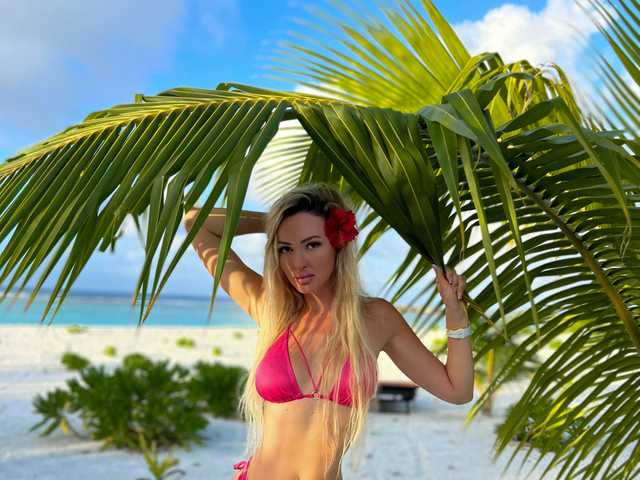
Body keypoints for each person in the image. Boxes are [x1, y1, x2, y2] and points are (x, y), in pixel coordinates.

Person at [182, 182, 474, 480]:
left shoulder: (375, 318)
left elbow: (457, 391)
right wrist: (274, 222)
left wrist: (454, 311)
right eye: (286, 248)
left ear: (338, 243)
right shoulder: (272, 309)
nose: (297, 262)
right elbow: (196, 223)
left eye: (311, 244)